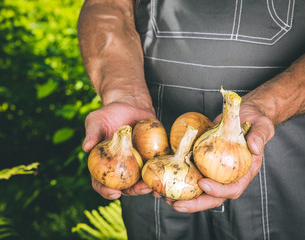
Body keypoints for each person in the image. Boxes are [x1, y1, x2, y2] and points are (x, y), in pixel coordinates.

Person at [77, 0, 305, 239]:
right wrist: (123, 92)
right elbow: (105, 5)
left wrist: (269, 106)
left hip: (281, 144)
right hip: (148, 144)